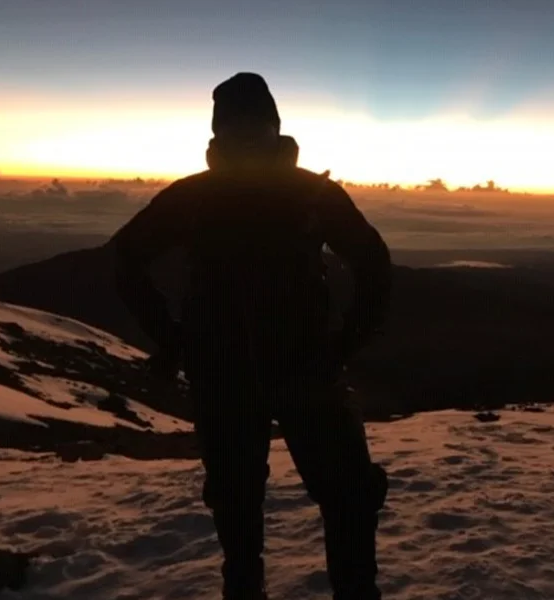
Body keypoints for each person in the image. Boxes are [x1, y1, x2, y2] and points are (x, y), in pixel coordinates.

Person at [112, 73, 391, 600]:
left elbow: (126, 259)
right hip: (292, 367)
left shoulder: (196, 197)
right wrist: (346, 342)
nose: (245, 137)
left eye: (252, 126)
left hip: (245, 368)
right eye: (239, 127)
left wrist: (171, 338)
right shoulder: (310, 192)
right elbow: (373, 264)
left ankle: (258, 588)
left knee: (254, 500)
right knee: (325, 497)